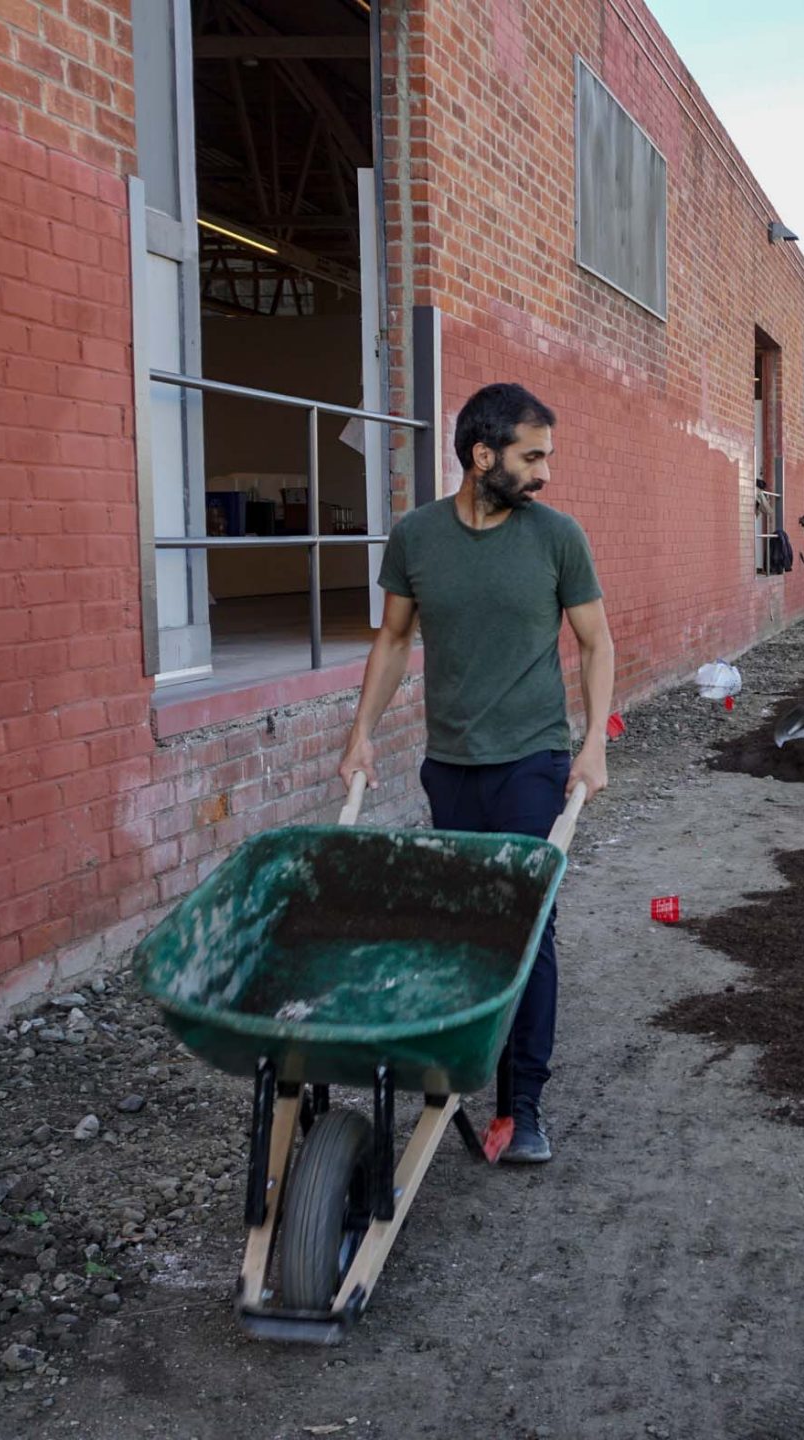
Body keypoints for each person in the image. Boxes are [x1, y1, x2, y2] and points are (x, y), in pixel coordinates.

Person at [337, 382, 614, 1166]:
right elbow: (393, 641)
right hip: (448, 767)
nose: (545, 473)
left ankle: (522, 1105)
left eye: (547, 457)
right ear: (482, 455)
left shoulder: (557, 537)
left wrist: (593, 744)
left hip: (532, 760)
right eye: (532, 457)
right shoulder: (417, 537)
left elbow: (597, 643)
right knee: (465, 926)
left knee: (527, 926)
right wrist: (360, 736)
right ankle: (465, 1064)